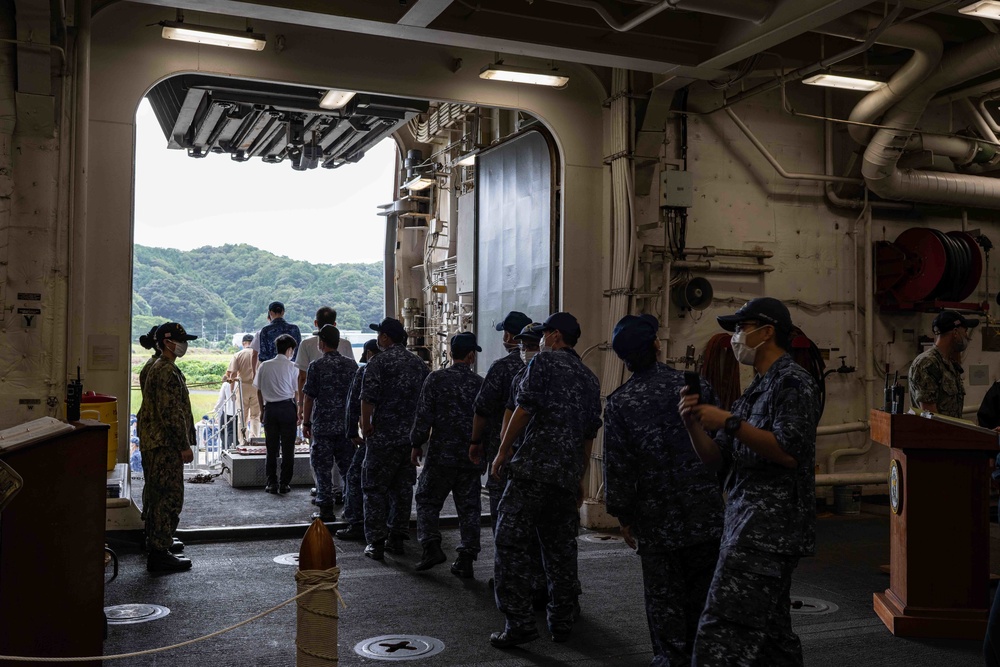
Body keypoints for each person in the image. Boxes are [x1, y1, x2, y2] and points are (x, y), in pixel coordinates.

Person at [678, 297, 821, 666]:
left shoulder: (794, 384)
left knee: (722, 630)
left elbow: (789, 452)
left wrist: (729, 421)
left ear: (767, 332)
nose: (736, 337)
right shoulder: (754, 390)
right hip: (745, 522)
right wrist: (694, 424)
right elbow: (716, 459)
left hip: (769, 531)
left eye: (742, 328)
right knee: (772, 637)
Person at [604, 314, 724, 667]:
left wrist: (624, 515)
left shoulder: (621, 402)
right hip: (705, 515)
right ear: (657, 346)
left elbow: (619, 467)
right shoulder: (695, 386)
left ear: (623, 358)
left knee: (665, 607)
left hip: (656, 525)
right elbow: (722, 447)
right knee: (706, 604)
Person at [489, 311, 602, 648]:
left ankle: (519, 623)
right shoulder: (589, 378)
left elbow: (523, 409)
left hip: (532, 472)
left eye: (543, 335)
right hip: (565, 477)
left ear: (554, 336)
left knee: (509, 543)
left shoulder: (542, 364)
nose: (538, 342)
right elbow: (587, 436)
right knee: (561, 551)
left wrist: (503, 451)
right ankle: (563, 620)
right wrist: (580, 476)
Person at [411, 332, 485, 577]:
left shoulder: (436, 379)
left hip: (441, 455)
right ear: (471, 355)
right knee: (470, 508)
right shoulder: (480, 383)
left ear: (451, 354)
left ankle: (431, 546)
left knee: (427, 500)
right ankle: (466, 558)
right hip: (470, 456)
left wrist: (416, 444)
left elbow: (424, 417)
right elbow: (488, 420)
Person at [360, 317, 429, 560]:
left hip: (383, 438)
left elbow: (368, 398)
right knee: (402, 489)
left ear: (386, 337)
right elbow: (425, 404)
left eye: (380, 334)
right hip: (409, 439)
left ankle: (376, 542)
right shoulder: (418, 364)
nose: (378, 338)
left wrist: (365, 425)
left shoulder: (378, 363)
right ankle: (397, 538)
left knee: (375, 489)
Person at [141, 322, 198, 573]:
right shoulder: (165, 370)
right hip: (164, 445)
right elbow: (171, 413)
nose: (183, 346)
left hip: (158, 442)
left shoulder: (162, 367)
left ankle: (159, 543)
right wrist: (183, 445)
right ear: (167, 342)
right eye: (179, 341)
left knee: (158, 495)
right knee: (168, 496)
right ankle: (159, 551)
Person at [470, 310, 532, 528]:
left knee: (502, 510)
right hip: (536, 454)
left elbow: (482, 409)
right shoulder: (544, 367)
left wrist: (475, 442)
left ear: (508, 337)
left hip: (503, 452)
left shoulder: (502, 368)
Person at [296, 307, 357, 502]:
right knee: (347, 466)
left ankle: (325, 505)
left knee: (322, 467)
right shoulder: (351, 365)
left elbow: (308, 394)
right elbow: (357, 394)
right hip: (345, 424)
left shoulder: (316, 363)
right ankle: (350, 505)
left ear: (321, 343)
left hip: (322, 424)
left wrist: (306, 421)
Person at [336, 338, 381, 541]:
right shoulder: (409, 367)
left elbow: (354, 404)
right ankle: (395, 530)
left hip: (373, 437)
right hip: (402, 439)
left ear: (370, 353)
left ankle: (356, 523)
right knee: (397, 484)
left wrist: (352, 432)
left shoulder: (366, 371)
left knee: (355, 476)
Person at [909, 310, 979, 418]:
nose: (967, 336)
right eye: (965, 331)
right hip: (936, 434)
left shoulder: (949, 363)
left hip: (950, 433)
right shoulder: (928, 363)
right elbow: (931, 417)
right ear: (955, 332)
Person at [254, 333, 299, 494]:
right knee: (288, 449)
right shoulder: (293, 366)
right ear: (289, 349)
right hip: (288, 409)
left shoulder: (264, 365)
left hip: (270, 409)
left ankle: (271, 482)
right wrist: (299, 411)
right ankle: (285, 483)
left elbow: (259, 391)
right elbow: (296, 393)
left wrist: (262, 410)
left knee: (271, 448)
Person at [227, 333, 260, 441]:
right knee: (255, 416)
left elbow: (232, 375)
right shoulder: (259, 355)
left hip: (242, 387)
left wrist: (232, 391)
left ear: (243, 343)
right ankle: (255, 438)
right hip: (257, 387)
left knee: (242, 416)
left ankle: (243, 440)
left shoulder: (238, 354)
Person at [252, 301, 302, 368]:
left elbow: (263, 355)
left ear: (270, 313)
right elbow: (298, 351)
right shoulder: (294, 329)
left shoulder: (266, 330)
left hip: (271, 368)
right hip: (292, 368)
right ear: (283, 312)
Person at [213, 376, 238, 450]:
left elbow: (221, 399)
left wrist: (215, 409)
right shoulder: (240, 383)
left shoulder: (226, 384)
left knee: (224, 431)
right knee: (235, 432)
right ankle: (232, 448)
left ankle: (226, 449)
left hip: (228, 411)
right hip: (238, 412)